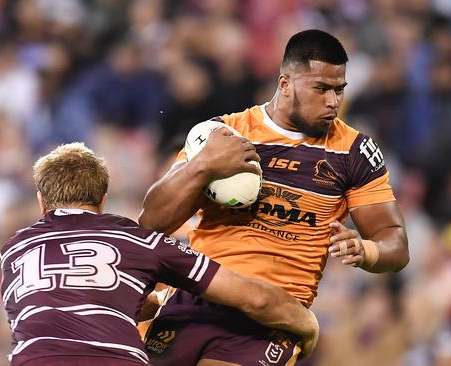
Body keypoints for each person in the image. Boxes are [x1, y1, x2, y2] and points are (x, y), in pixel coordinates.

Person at [139, 29, 410, 365]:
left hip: (272, 317)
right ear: (285, 85)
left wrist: (367, 250)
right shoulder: (226, 132)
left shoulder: (353, 152)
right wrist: (203, 165)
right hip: (197, 299)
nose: (333, 102)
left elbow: (395, 243)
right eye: (321, 88)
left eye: (339, 90)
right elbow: (150, 223)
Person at [0, 142, 319, 366]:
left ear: (42, 201)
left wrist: (155, 303)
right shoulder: (138, 241)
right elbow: (254, 298)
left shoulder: (14, 250)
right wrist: (306, 324)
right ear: (102, 201)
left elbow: (68, 304)